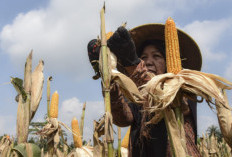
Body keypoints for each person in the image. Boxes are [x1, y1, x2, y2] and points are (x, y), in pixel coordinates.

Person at [88, 24, 202, 157]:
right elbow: (123, 119)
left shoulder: (184, 88)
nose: (148, 62)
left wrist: (133, 65)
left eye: (156, 56)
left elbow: (166, 100)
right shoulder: (136, 95)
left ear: (167, 61)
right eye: (143, 57)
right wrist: (109, 78)